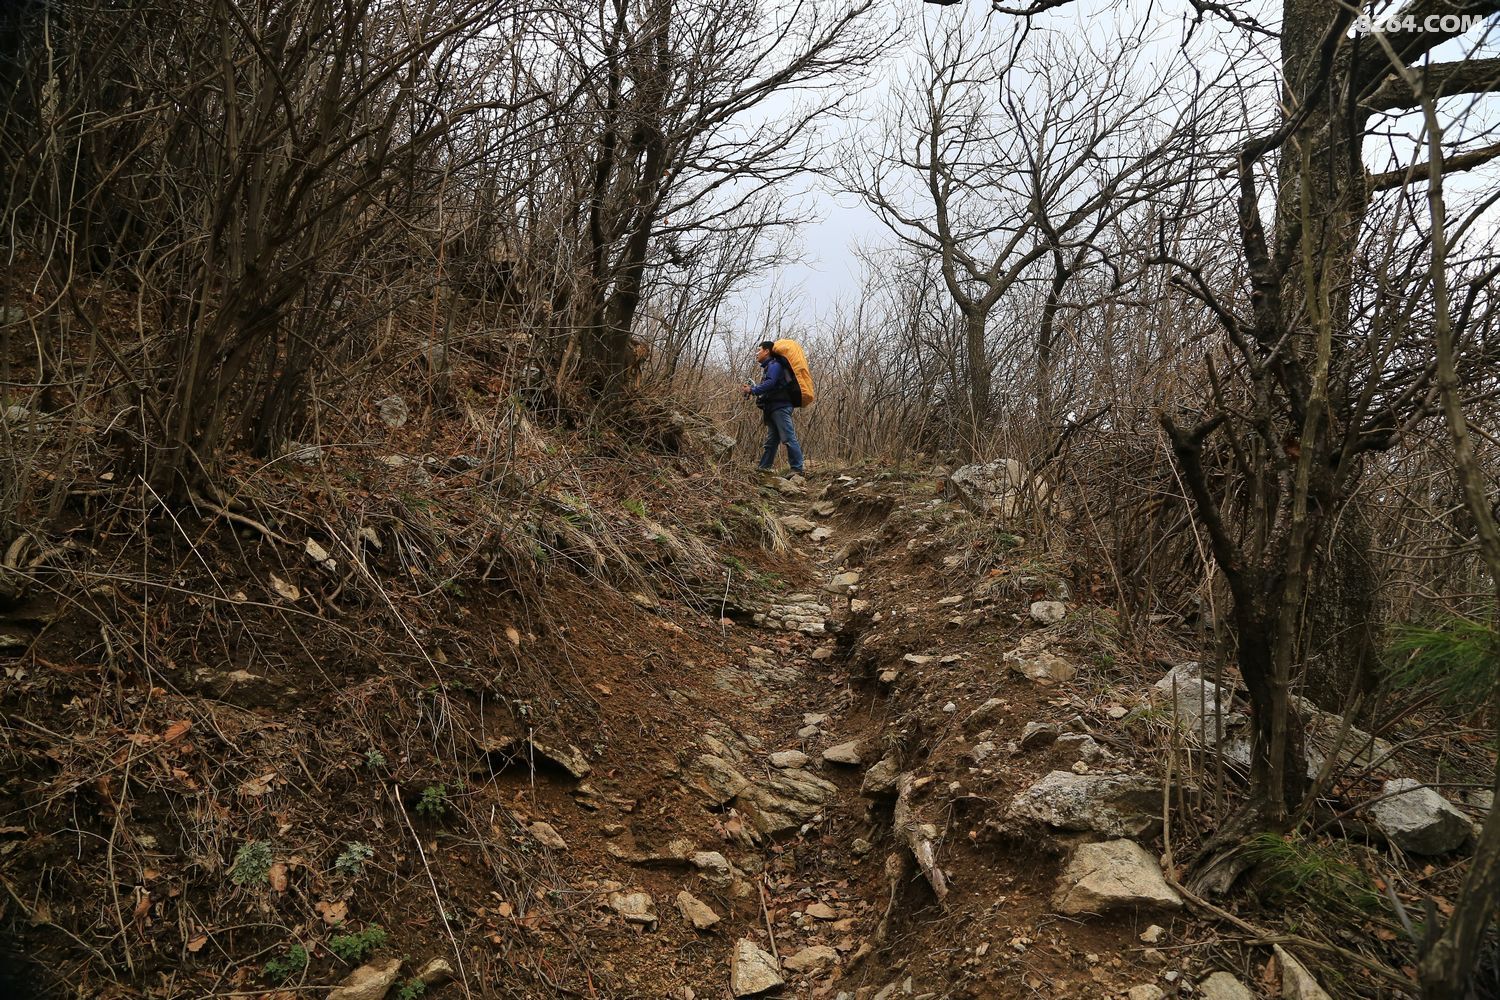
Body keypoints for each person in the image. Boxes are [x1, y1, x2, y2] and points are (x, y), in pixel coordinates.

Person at [741, 340, 805, 475]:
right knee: (772, 441)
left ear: (766, 351)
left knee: (788, 437)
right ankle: (763, 469)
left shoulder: (774, 365)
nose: (757, 353)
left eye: (759, 350)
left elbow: (770, 383)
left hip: (780, 407)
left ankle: (797, 468)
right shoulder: (770, 367)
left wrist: (753, 390)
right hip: (774, 408)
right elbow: (771, 386)